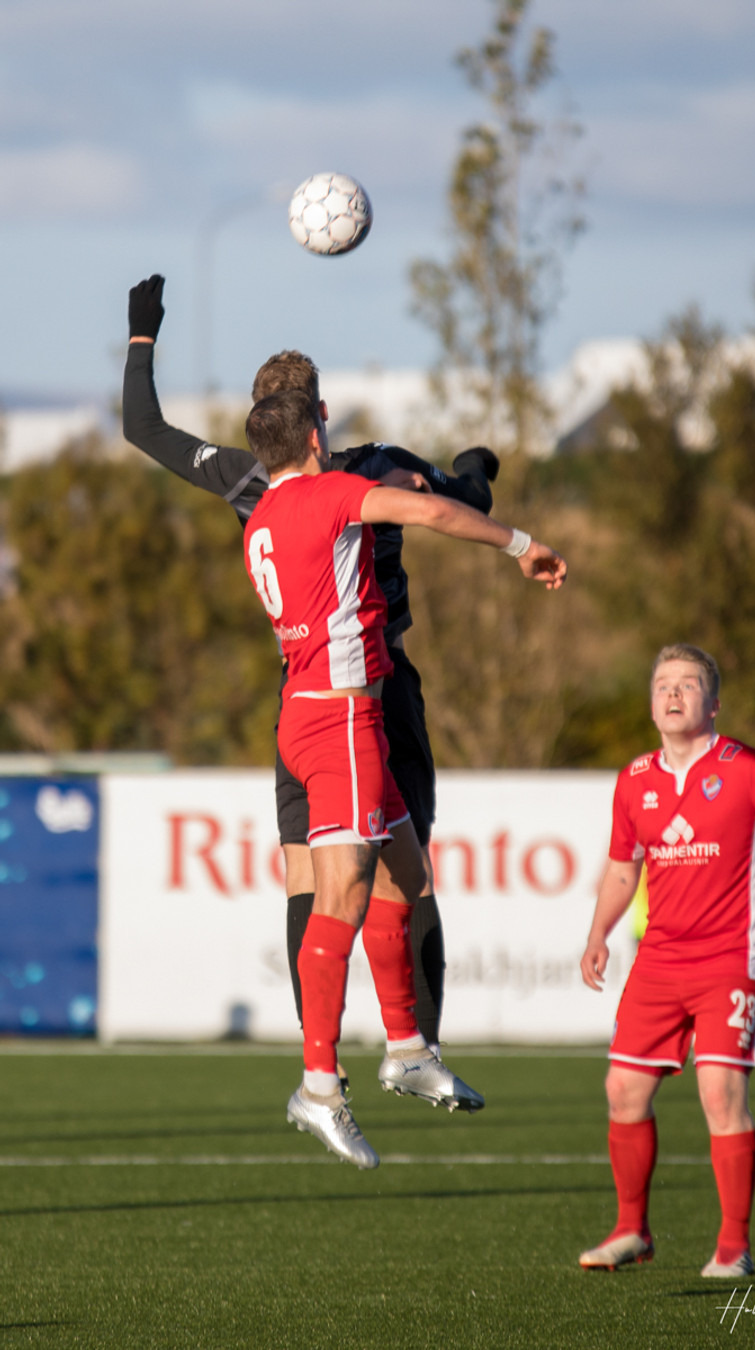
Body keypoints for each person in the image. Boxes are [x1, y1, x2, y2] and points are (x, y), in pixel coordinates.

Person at [122, 274, 499, 1056]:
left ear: (263, 421)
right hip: (377, 688)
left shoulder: (244, 477)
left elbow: (143, 427)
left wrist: (142, 336)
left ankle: (317, 1049)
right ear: (319, 415)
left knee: (304, 871)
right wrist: (475, 467)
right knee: (404, 872)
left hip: (299, 694)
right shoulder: (375, 465)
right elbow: (464, 500)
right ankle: (420, 1050)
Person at [242, 385, 566, 1166]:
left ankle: (407, 1049)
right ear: (315, 436)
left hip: (318, 715)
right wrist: (521, 545)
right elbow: (432, 513)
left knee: (407, 875)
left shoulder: (260, 518)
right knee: (343, 897)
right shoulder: (330, 494)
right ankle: (319, 1085)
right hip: (340, 721)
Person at [578, 644, 755, 1277]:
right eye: (663, 685)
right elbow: (623, 869)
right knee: (622, 1089)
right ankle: (631, 1230)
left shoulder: (746, 767)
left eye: (689, 684)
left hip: (730, 959)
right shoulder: (634, 779)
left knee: (720, 1091)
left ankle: (733, 1245)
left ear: (714, 703)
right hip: (659, 959)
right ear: (651, 705)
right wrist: (598, 934)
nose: (673, 694)